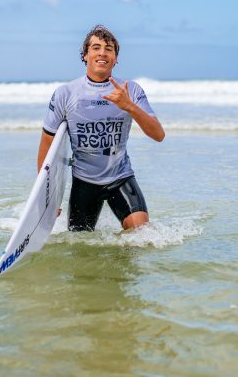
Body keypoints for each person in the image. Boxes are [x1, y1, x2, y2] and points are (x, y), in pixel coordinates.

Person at [37, 25, 165, 231]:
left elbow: (158, 135)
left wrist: (129, 106)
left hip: (121, 177)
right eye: (96, 48)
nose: (102, 53)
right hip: (84, 181)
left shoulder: (130, 91)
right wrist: (46, 197)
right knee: (81, 248)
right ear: (85, 55)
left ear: (115, 58)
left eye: (109, 48)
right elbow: (48, 143)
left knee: (142, 237)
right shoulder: (66, 93)